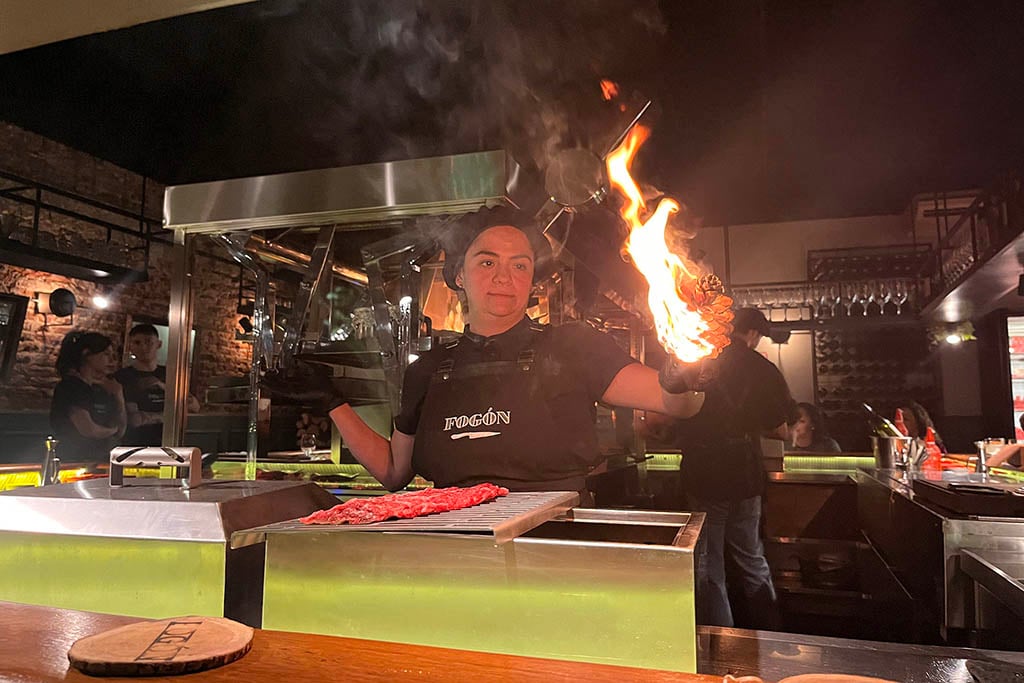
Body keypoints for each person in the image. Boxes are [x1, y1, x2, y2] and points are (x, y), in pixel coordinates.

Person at [264, 205, 718, 499]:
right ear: (458, 276)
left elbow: (674, 401)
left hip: (552, 548)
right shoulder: (429, 370)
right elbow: (392, 472)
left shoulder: (573, 346)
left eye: (519, 265)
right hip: (452, 547)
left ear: (531, 281)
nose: (505, 276)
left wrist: (684, 375)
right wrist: (332, 403)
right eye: (487, 262)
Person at [661, 307, 794, 629]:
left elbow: (665, 409)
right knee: (752, 559)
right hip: (745, 474)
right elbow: (780, 429)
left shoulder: (694, 360)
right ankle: (770, 634)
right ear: (751, 333)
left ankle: (721, 644)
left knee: (710, 566)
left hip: (705, 473)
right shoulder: (761, 367)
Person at [114, 323, 199, 446]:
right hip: (137, 443)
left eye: (148, 342)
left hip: (171, 442)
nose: (143, 347)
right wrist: (169, 417)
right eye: (137, 343)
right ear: (130, 346)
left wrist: (163, 386)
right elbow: (135, 419)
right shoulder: (123, 376)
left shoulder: (170, 374)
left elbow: (194, 406)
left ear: (159, 344)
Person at [50, 331, 127, 463]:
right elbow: (88, 429)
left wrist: (119, 395)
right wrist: (112, 430)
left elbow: (122, 429)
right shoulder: (71, 386)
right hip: (75, 460)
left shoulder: (103, 388)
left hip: (102, 460)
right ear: (87, 355)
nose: (111, 360)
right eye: (106, 354)